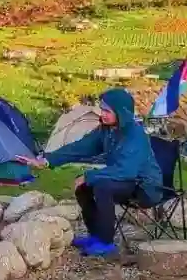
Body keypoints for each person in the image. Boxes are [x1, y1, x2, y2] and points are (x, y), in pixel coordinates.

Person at [16, 88, 162, 256]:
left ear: (121, 112)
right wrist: (47, 160)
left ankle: (107, 243)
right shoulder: (107, 130)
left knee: (101, 186)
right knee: (84, 188)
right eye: (102, 109)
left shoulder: (134, 135)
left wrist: (88, 176)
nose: (103, 114)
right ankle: (96, 236)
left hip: (145, 188)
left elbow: (126, 170)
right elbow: (80, 147)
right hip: (126, 181)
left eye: (108, 110)